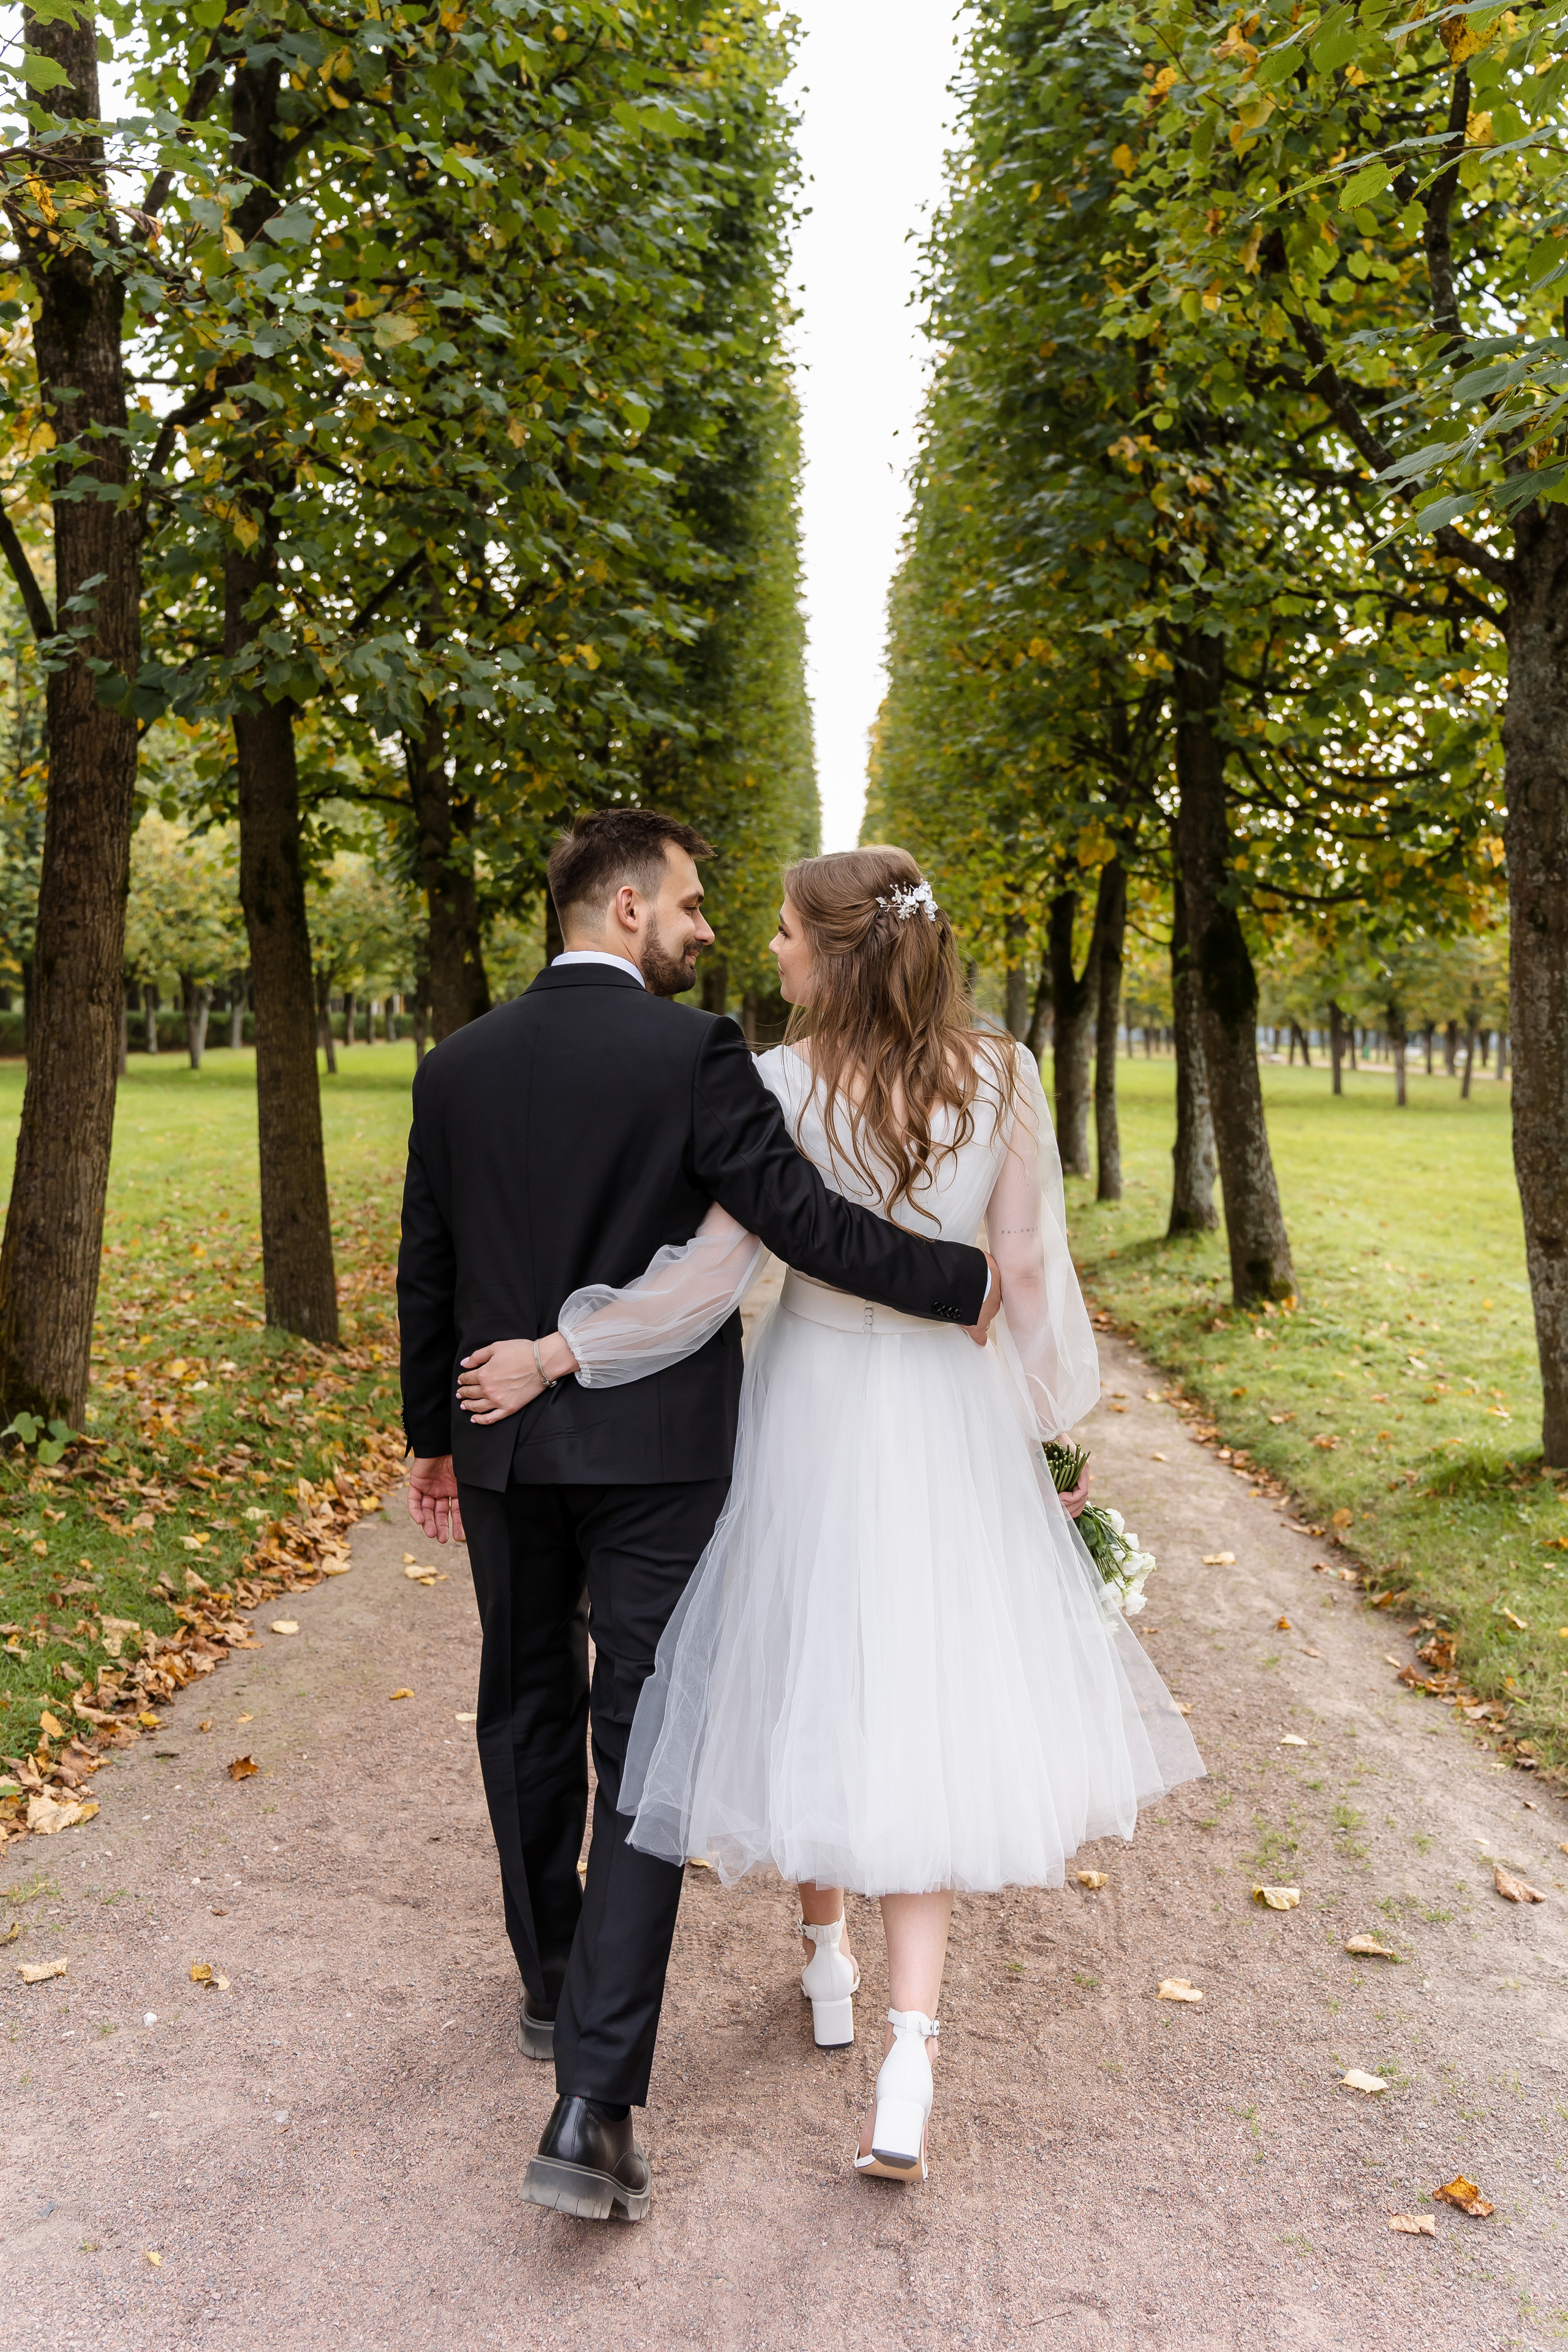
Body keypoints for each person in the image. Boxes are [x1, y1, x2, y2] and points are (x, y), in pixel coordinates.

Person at [464, 846, 1204, 2185]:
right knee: (919, 1696)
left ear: (838, 950)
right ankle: (906, 2060)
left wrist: (559, 1351)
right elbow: (1027, 1270)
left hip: (809, 1402)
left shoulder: (779, 1083)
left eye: (789, 937)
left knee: (814, 1667)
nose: (772, 954)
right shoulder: (1008, 1074)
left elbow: (707, 1280)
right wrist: (1045, 1437)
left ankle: (824, 1966)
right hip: (949, 1409)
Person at [398, 812, 1000, 2226]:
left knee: (524, 1708)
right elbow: (791, 1217)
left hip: (497, 1445)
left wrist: (431, 1433)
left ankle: (553, 1989)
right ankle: (593, 2100)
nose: (705, 928)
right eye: (684, 903)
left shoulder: (454, 1067)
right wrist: (954, 1283)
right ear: (621, 907)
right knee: (648, 1749)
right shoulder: (694, 1056)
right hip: (659, 1455)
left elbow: (428, 1266)